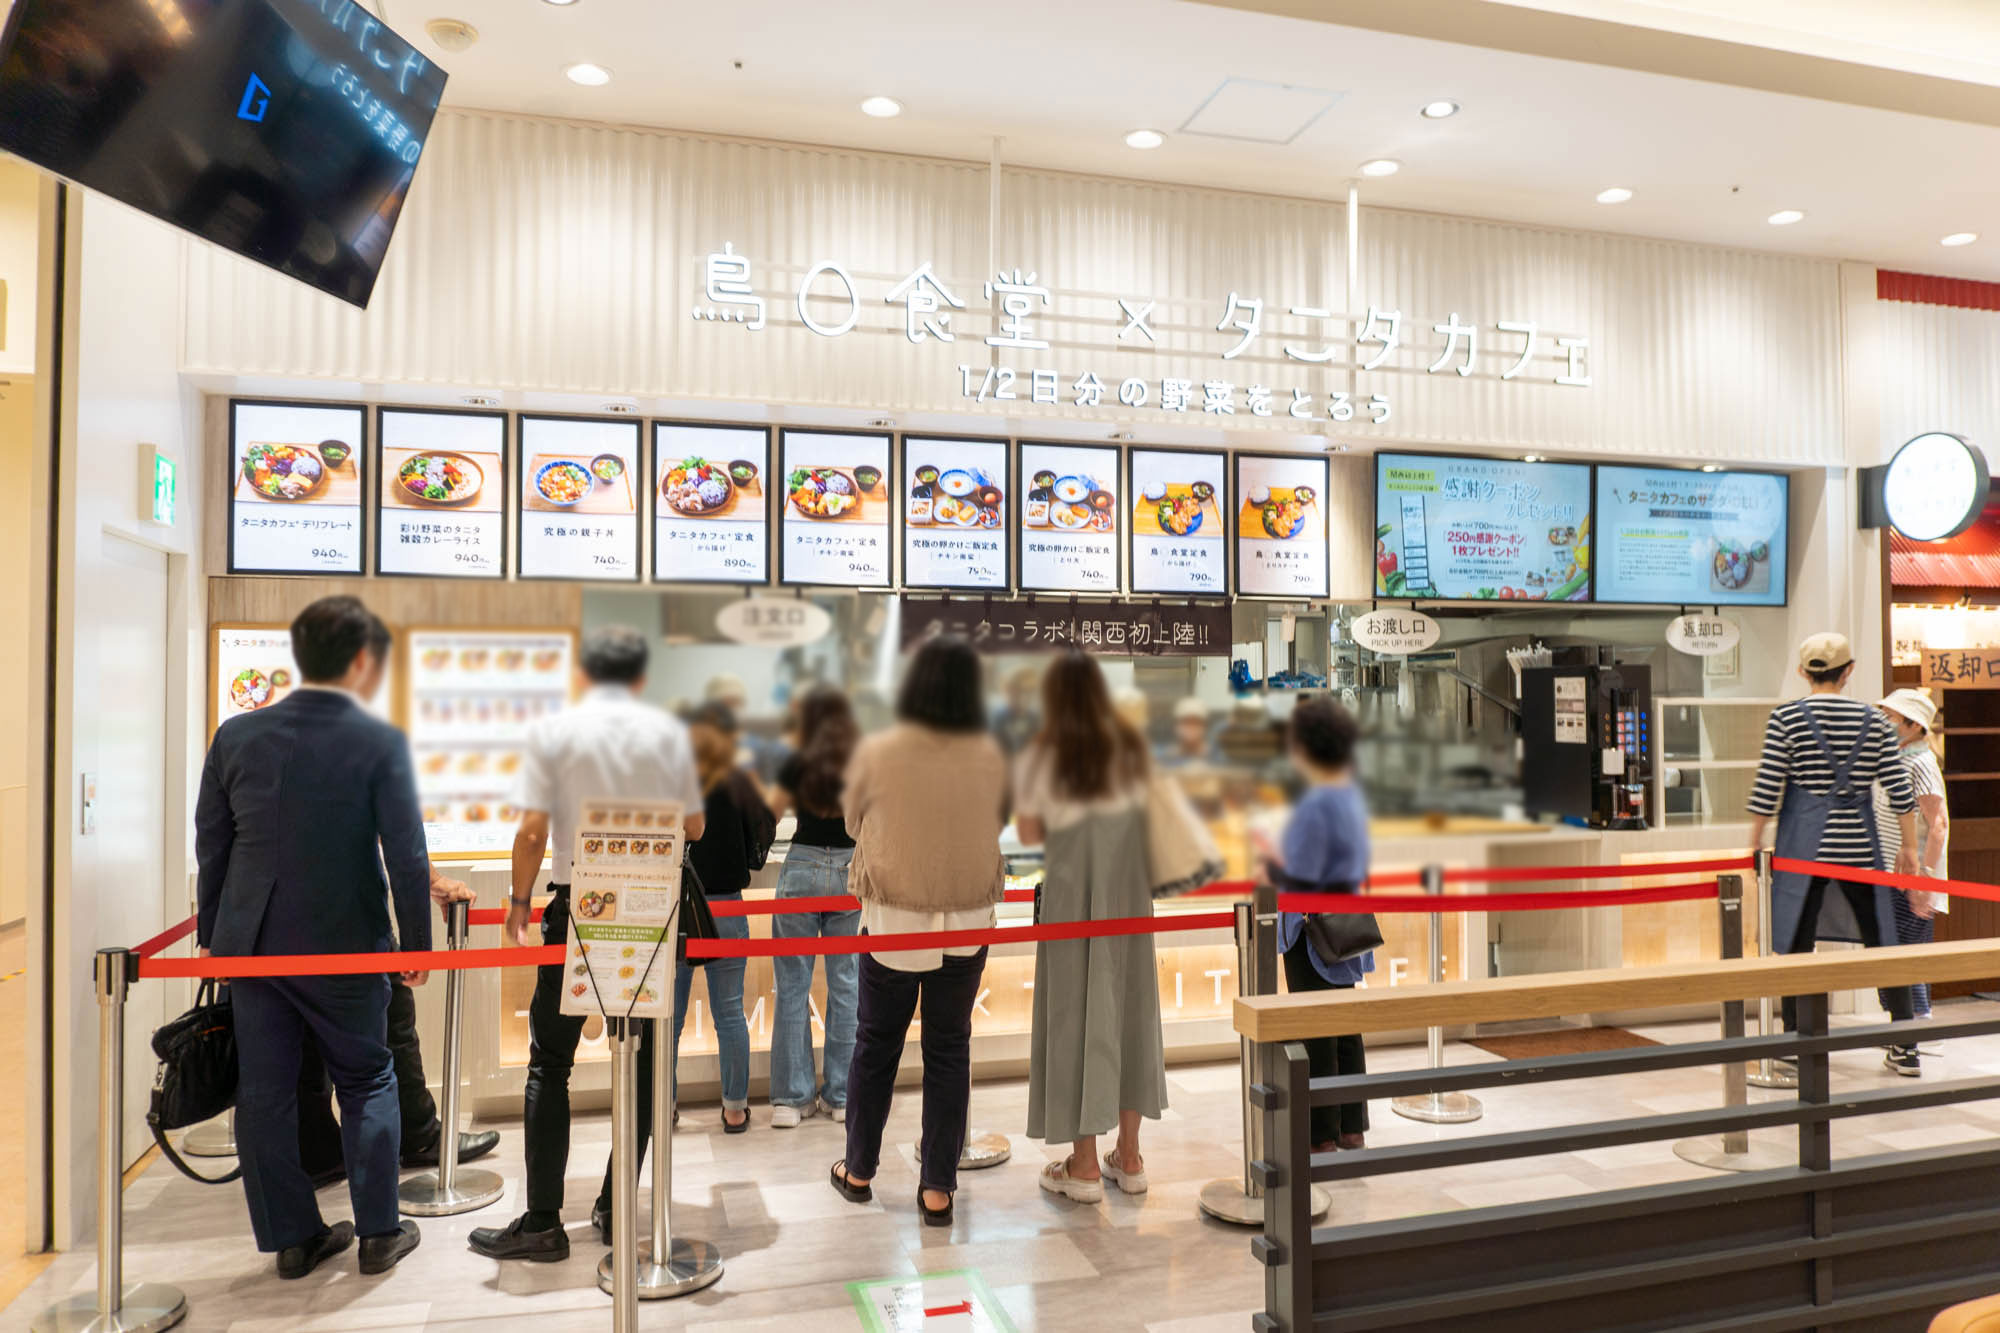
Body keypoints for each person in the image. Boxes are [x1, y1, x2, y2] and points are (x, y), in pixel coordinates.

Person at [194, 596, 428, 1279]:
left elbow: (214, 844)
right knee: (367, 1076)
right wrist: (417, 944)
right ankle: (379, 1233)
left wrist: (213, 936)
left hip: (253, 946)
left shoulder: (236, 735)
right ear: (360, 660)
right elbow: (407, 853)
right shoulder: (379, 741)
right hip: (346, 939)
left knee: (263, 1093)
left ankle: (293, 1241)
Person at [470, 626, 706, 1262]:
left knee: (551, 1061)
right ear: (640, 677)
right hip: (650, 916)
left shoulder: (557, 732)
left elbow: (530, 833)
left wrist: (518, 902)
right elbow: (694, 825)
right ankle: (613, 1206)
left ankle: (543, 1221)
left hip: (580, 908)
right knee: (646, 1066)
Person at [829, 637, 1009, 1227]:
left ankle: (859, 1170)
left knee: (876, 1044)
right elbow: (1000, 819)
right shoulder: (989, 752)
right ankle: (937, 1189)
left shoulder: (880, 749)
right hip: (966, 917)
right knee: (949, 1048)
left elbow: (852, 822)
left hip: (894, 920)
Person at [1015, 652, 1168, 1203]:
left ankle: (1082, 1164)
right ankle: (1129, 1156)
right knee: (1129, 1010)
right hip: (1129, 895)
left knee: (1073, 1013)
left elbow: (1028, 831)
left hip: (1071, 895)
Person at [1748, 633, 1922, 1075]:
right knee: (1883, 941)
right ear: (1848, 672)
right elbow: (1899, 790)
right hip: (1860, 845)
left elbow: (1767, 787)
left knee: (1796, 941)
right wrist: (1909, 848)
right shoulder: (1875, 721)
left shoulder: (1786, 717)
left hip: (1801, 849)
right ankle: (1905, 1045)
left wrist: (1754, 842)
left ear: (1803, 672)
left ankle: (1796, 1041)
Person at [1264, 698, 1374, 1151]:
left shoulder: (1310, 800)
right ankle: (1351, 1128)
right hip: (1344, 925)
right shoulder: (1347, 790)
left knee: (1317, 1031)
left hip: (1311, 932)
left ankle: (1322, 1136)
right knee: (1345, 1027)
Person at [764, 686, 862, 1126]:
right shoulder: (859, 759)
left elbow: (770, 811)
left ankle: (791, 1099)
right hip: (849, 870)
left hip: (801, 864)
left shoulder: (796, 756)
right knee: (846, 984)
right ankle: (841, 1096)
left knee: (792, 985)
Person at [673, 702, 771, 1133]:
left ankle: (664, 1104)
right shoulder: (739, 777)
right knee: (729, 1013)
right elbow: (761, 832)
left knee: (670, 1018)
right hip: (728, 905)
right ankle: (734, 1108)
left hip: (678, 907)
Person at [1875, 688, 1949, 1024]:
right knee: (1891, 953)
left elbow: (1938, 825)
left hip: (1911, 875)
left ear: (1913, 725)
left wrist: (1925, 879)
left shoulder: (1922, 762)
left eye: (1890, 717)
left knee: (1907, 954)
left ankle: (1915, 1029)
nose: (1884, 722)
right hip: (1892, 872)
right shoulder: (1898, 757)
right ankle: (1902, 1030)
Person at [1165, 696, 1215, 767]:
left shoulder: (1216, 756)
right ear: (1176, 726)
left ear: (1205, 726)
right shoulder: (1165, 758)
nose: (1191, 728)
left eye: (1196, 723)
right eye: (1186, 722)